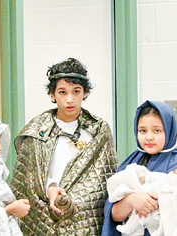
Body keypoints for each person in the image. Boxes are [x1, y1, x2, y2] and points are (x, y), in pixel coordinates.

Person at [11, 57, 119, 234]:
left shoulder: (98, 131)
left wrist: (74, 202)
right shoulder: (36, 131)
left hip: (85, 220)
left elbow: (104, 179)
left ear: (84, 93)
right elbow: (28, 181)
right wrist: (50, 190)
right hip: (44, 218)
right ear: (53, 94)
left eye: (76, 91)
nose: (70, 99)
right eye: (62, 92)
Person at [103, 100, 177, 236]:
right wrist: (131, 200)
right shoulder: (130, 163)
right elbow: (113, 216)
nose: (149, 137)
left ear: (169, 129)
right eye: (143, 131)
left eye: (157, 131)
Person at [106, 164, 177, 236]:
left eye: (157, 133)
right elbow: (113, 214)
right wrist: (131, 200)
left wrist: (162, 201)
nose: (149, 137)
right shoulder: (131, 160)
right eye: (143, 133)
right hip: (136, 213)